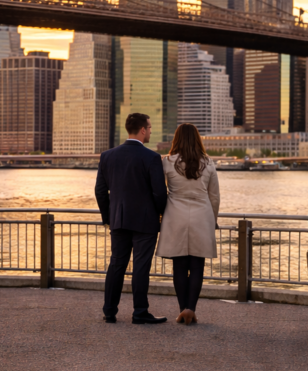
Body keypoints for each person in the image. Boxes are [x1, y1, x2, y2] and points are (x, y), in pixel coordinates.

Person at [95, 113, 168, 325]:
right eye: (150, 127)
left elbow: (100, 190)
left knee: (116, 264)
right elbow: (159, 193)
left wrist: (108, 216)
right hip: (145, 222)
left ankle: (109, 311)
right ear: (143, 130)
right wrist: (161, 213)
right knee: (141, 267)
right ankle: (140, 312)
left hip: (118, 219)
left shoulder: (108, 156)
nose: (151, 131)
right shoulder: (152, 158)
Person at [156, 123, 221, 325]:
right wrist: (214, 220)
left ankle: (182, 309)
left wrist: (160, 216)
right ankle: (191, 309)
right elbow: (215, 197)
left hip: (175, 216)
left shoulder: (167, 162)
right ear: (197, 139)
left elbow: (159, 192)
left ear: (176, 139)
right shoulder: (208, 163)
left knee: (179, 267)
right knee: (197, 266)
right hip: (202, 216)